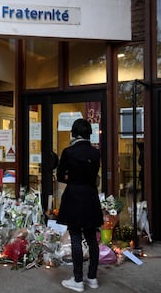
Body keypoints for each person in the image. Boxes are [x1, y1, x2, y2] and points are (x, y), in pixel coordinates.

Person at [57, 118, 103, 292]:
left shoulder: (68, 152)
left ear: (74, 133)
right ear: (88, 133)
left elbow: (60, 176)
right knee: (92, 239)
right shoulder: (95, 153)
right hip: (91, 197)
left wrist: (72, 177)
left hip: (74, 197)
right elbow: (93, 176)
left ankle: (77, 279)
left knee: (76, 237)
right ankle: (92, 278)